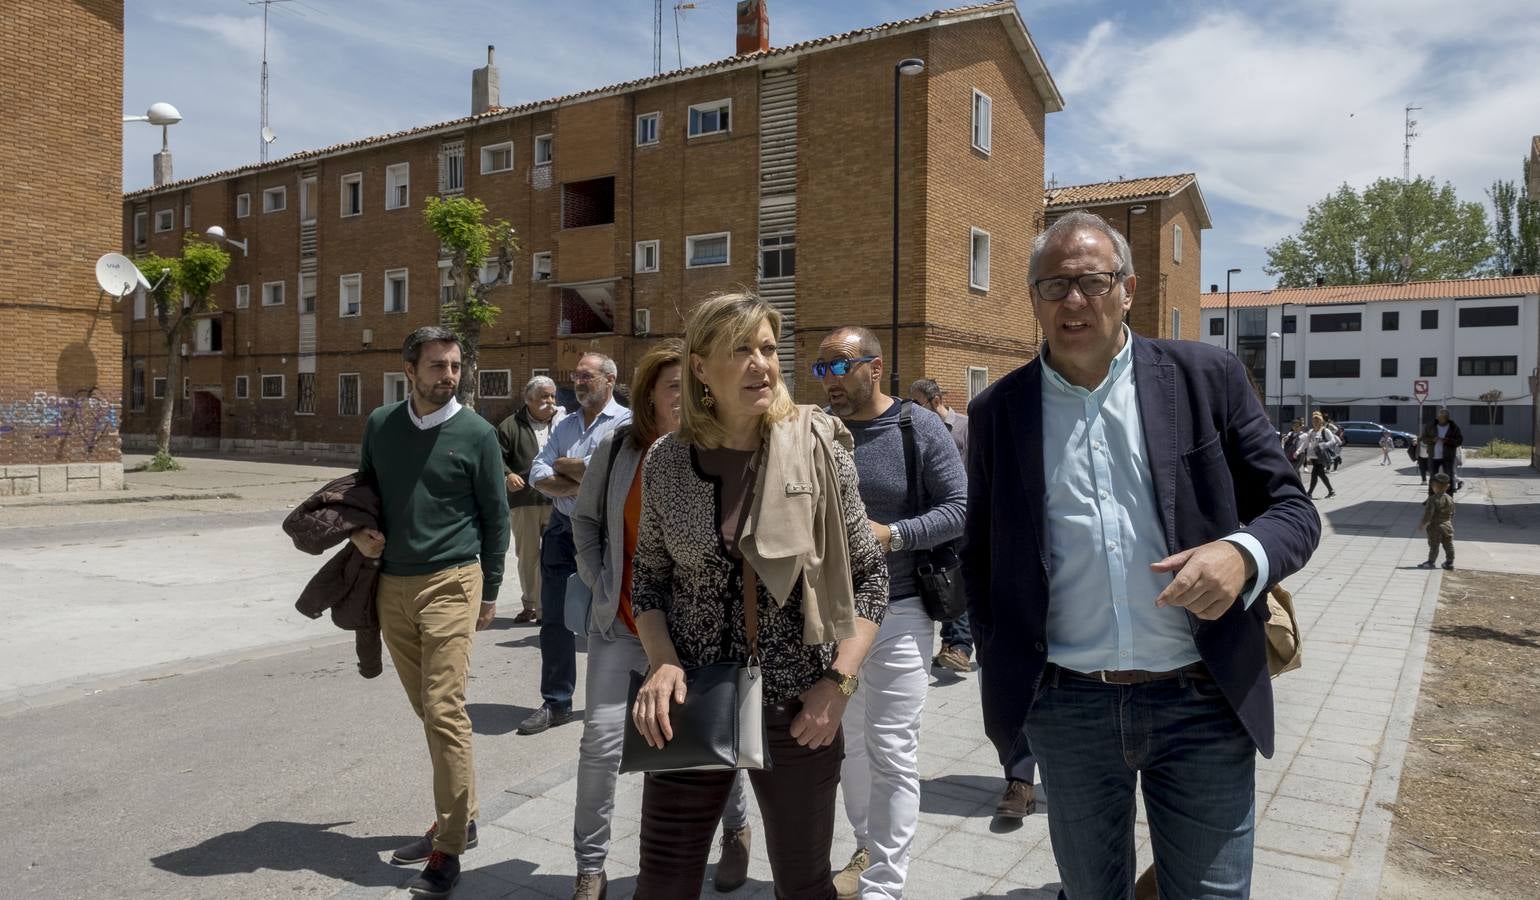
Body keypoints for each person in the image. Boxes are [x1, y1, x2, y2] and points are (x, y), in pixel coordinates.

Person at [960, 211, 1320, 899]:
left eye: (1091, 281)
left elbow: (1293, 510)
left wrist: (1241, 556)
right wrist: (1005, 659)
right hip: (1068, 706)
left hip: (1201, 696)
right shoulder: (1000, 411)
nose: (1073, 301)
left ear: (1127, 289)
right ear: (1033, 298)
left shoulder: (1204, 378)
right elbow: (980, 556)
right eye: (1053, 285)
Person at [629, 293, 889, 899]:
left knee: (804, 883)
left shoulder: (818, 445)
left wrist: (838, 686)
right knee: (662, 882)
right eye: (740, 349)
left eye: (768, 349)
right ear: (700, 368)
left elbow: (870, 579)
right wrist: (662, 662)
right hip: (691, 700)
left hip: (800, 706)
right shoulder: (667, 461)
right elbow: (648, 581)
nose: (761, 365)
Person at [569, 340, 753, 899]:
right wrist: (601, 581)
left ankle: (736, 830)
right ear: (649, 393)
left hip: (696, 634)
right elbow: (585, 522)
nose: (689, 398)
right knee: (601, 743)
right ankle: (590, 867)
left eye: (695, 389)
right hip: (624, 623)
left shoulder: (715, 448)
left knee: (706, 738)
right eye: (675, 388)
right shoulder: (618, 447)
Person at [356, 326, 510, 897]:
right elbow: (363, 495)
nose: (449, 376)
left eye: (455, 366)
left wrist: (490, 590)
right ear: (409, 371)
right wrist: (360, 537)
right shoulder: (380, 425)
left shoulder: (477, 434)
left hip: (453, 580)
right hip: (391, 585)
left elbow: (496, 517)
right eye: (438, 366)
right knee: (429, 709)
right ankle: (460, 815)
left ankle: (448, 848)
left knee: (445, 709)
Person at [819, 335, 966, 899]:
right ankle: (866, 844)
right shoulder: (818, 431)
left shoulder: (917, 427)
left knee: (893, 746)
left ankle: (885, 884)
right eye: (820, 366)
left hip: (901, 608)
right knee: (847, 740)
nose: (829, 377)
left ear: (874, 368)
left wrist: (895, 535)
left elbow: (959, 507)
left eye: (840, 365)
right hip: (832, 613)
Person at [910, 377, 1040, 824]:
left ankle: (1070, 781)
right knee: (1009, 696)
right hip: (1005, 585)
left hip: (1071, 597)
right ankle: (1020, 778)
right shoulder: (987, 425)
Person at [520, 353, 632, 735]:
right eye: (576, 376)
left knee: (614, 619)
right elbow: (537, 471)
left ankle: (622, 701)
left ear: (610, 379)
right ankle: (557, 702)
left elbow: (609, 474)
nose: (578, 382)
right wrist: (580, 475)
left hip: (606, 533)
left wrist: (569, 468)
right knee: (554, 619)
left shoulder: (626, 423)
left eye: (587, 376)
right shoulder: (564, 424)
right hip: (562, 527)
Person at [909, 378, 974, 676]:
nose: (914, 410)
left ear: (935, 401)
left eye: (918, 403)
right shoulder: (919, 432)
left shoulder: (965, 427)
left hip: (965, 515)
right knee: (947, 577)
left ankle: (959, 645)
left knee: (954, 575)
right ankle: (953, 644)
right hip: (936, 518)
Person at [497, 376, 565, 625]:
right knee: (528, 556)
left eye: (552, 396)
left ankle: (550, 607)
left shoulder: (563, 423)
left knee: (555, 554)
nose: (550, 401)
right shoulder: (509, 426)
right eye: (544, 396)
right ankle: (530, 605)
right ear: (528, 400)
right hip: (524, 500)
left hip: (558, 499)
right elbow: (497, 458)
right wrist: (508, 474)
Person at [1418, 472, 1456, 570]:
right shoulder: (1450, 498)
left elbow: (1429, 514)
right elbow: (1452, 513)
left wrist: (1423, 524)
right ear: (1447, 486)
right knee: (1448, 544)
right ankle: (1449, 562)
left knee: (1434, 545)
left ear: (1433, 486)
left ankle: (1431, 562)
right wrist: (1449, 522)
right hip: (1448, 526)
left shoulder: (1432, 499)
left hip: (1436, 526)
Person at [1421, 408, 1463, 495]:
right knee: (1433, 477)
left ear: (1448, 418)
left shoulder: (1454, 428)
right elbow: (1424, 439)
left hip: (1448, 457)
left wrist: (1448, 440)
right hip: (1433, 456)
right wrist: (1432, 439)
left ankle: (1449, 498)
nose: (1442, 419)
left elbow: (1459, 441)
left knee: (1449, 477)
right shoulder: (1430, 426)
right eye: (1441, 417)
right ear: (1437, 417)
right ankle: (1431, 498)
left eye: (1445, 417)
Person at [1304, 412, 1339, 499]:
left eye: (1317, 420)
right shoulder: (1311, 431)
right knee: (1321, 474)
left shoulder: (1325, 430)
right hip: (1314, 457)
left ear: (1321, 421)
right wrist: (1305, 454)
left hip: (1322, 456)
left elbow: (1333, 441)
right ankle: (1331, 491)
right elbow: (1307, 444)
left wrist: (1323, 445)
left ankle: (1309, 493)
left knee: (1314, 473)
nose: (1315, 422)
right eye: (1314, 420)